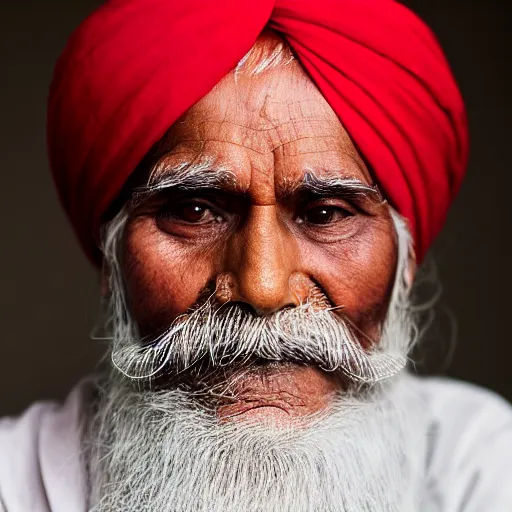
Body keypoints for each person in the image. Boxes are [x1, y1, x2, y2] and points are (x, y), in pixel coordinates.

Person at [0, 1, 511, 511]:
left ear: (406, 258)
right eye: (194, 210)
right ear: (110, 255)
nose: (262, 287)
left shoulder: (483, 472)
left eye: (327, 215)